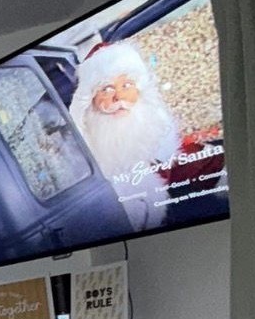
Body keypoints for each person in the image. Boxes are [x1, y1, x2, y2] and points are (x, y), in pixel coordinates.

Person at [71, 40, 180, 232]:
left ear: (140, 90)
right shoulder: (74, 155)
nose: (118, 98)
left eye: (126, 85)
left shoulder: (162, 141)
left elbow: (201, 165)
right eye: (106, 89)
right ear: (89, 98)